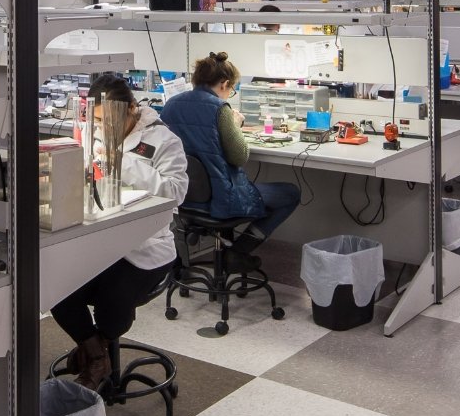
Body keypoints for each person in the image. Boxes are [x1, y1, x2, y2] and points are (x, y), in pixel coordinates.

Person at [52, 72, 188, 390]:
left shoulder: (163, 141)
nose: (101, 128)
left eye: (107, 120)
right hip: (98, 239)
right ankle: (94, 349)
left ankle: (95, 352)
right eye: (96, 120)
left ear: (131, 109)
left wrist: (122, 162)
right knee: (55, 284)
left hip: (144, 249)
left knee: (114, 294)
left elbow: (176, 192)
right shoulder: (93, 133)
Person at [161, 53, 300, 272]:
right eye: (231, 89)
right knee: (290, 193)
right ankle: (237, 251)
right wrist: (234, 124)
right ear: (225, 84)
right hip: (220, 199)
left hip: (183, 197)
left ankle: (209, 245)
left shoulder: (170, 105)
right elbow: (239, 156)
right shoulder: (219, 109)